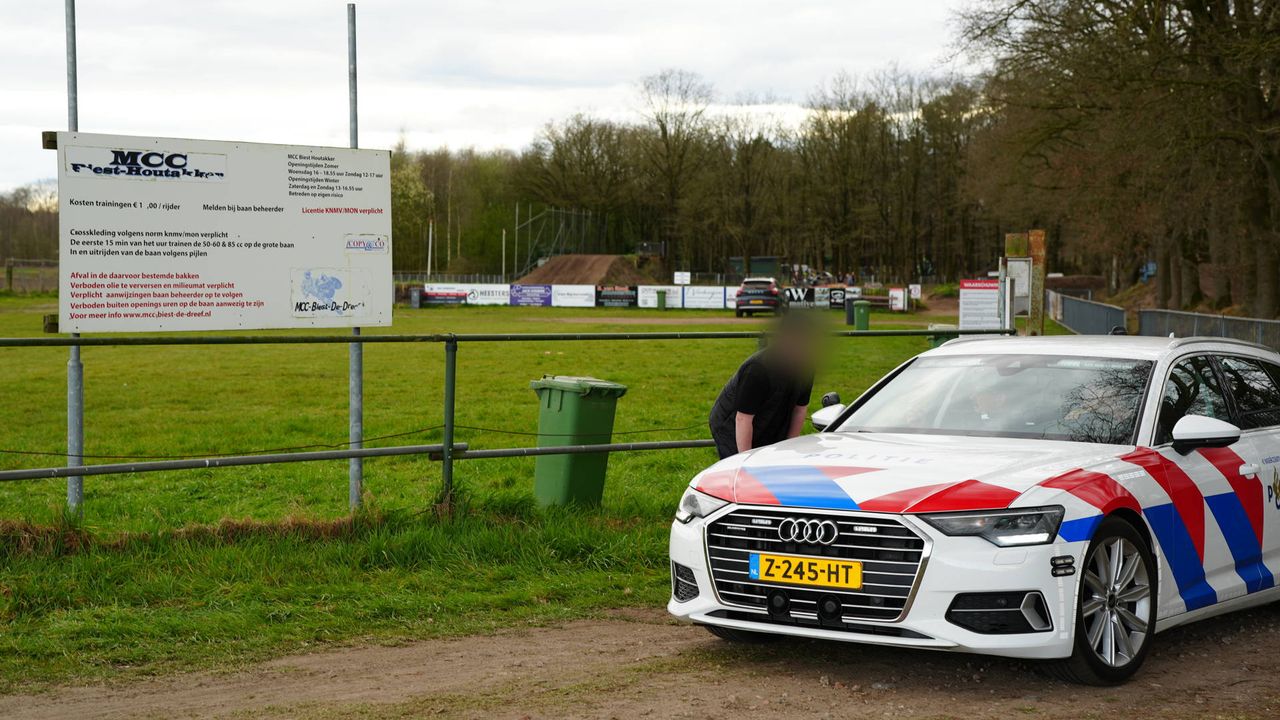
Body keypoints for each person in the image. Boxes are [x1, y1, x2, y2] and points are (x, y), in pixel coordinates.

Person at [709, 313, 819, 459]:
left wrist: (789, 449)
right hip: (732, 427)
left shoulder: (806, 368)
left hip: (771, 421)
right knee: (742, 473)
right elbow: (743, 418)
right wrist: (744, 460)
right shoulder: (758, 369)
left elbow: (800, 409)